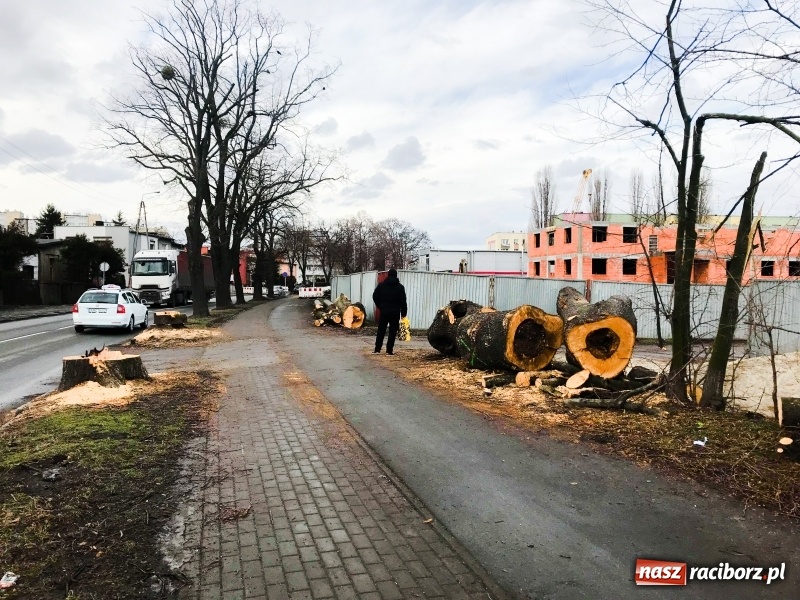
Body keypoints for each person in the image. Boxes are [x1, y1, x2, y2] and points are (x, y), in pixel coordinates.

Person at [372, 268, 407, 355]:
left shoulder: (381, 285)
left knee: (381, 330)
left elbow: (375, 296)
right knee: (392, 331)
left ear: (388, 275)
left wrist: (380, 306)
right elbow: (403, 301)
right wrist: (403, 313)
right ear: (396, 276)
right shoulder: (400, 287)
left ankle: (377, 349)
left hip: (384, 311)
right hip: (395, 312)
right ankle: (389, 351)